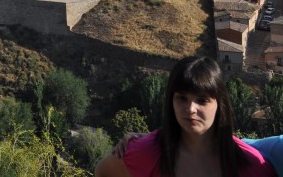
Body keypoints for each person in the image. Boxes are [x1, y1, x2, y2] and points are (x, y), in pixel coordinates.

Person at [94, 56, 275, 177]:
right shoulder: (146, 152)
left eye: (202, 100)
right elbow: (102, 172)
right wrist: (142, 141)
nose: (190, 109)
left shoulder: (252, 166)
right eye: (182, 98)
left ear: (220, 104)